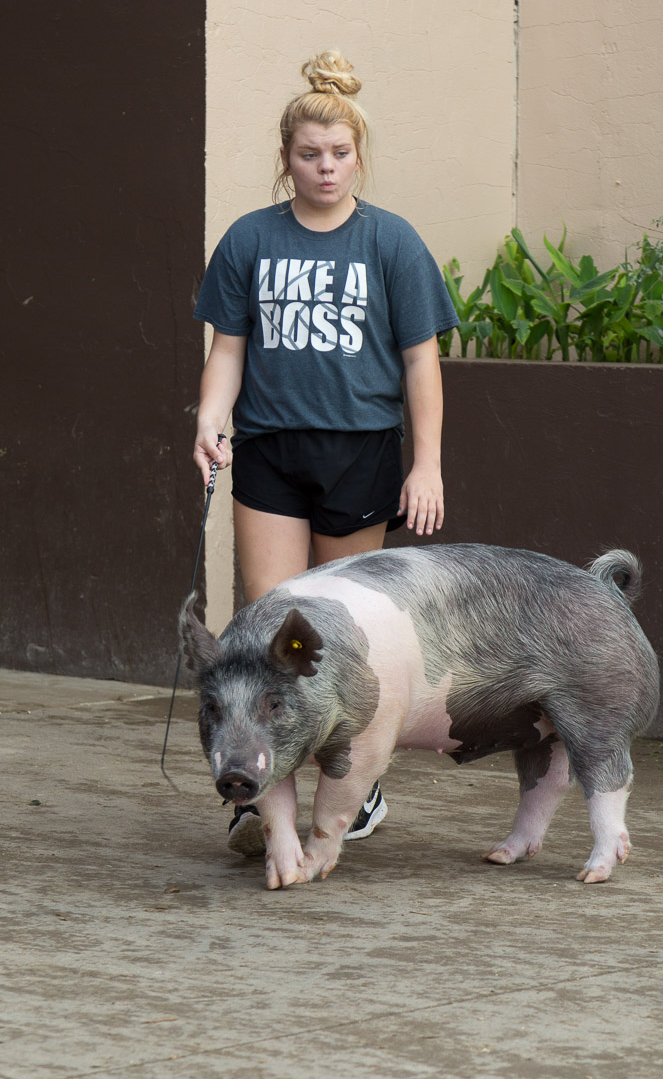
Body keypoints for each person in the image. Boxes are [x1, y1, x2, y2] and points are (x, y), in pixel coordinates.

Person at [192, 50, 458, 857]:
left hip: (362, 454)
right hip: (271, 451)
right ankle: (261, 796)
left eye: (339, 153)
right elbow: (228, 347)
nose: (326, 167)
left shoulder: (392, 243)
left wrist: (426, 463)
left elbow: (421, 360)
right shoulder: (249, 240)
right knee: (270, 629)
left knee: (333, 639)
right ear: (287, 159)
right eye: (310, 154)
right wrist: (209, 416)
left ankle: (355, 789)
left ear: (357, 156)